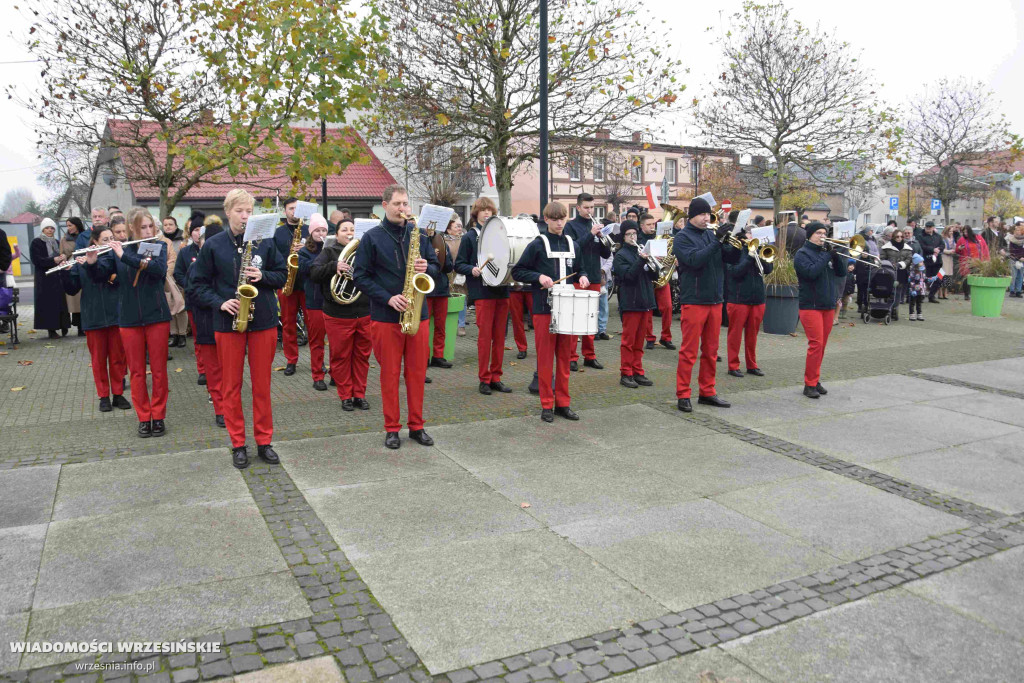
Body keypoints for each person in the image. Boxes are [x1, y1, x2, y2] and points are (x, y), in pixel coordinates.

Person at [193, 189, 288, 468]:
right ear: (228, 212)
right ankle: (237, 443)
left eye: (249, 211)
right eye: (239, 211)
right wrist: (220, 303)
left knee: (262, 386)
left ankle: (264, 441)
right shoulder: (214, 245)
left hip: (263, 323)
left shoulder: (265, 241)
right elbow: (196, 286)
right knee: (231, 386)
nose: (245, 216)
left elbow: (282, 275)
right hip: (228, 322)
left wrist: (264, 276)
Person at [352, 184, 441, 449]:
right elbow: (359, 277)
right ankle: (392, 428)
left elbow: (436, 267)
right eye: (397, 204)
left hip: (418, 314)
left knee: (416, 373)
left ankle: (417, 426)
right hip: (386, 316)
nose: (402, 209)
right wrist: (387, 298)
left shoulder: (420, 235)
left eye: (405, 204)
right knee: (389, 375)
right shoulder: (372, 237)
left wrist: (430, 267)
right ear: (385, 205)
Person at [98, 207, 172, 436]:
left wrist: (125, 256)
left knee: (159, 370)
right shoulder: (119, 250)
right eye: (143, 227)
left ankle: (158, 416)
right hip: (129, 319)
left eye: (151, 226)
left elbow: (158, 270)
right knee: (137, 371)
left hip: (157, 316)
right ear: (131, 228)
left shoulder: (157, 246)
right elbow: (100, 276)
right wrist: (91, 262)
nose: (148, 230)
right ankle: (143, 417)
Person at [512, 201, 587, 422]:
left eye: (562, 218)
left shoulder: (573, 244)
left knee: (565, 359)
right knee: (545, 359)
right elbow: (518, 271)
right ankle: (547, 404)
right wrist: (538, 277)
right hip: (544, 309)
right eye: (554, 219)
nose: (558, 223)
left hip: (568, 309)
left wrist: (583, 275)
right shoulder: (537, 244)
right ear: (547, 220)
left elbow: (580, 268)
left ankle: (563, 403)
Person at [672, 197, 740, 412]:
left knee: (711, 351)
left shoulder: (712, 235)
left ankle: (707, 391)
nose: (706, 218)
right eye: (702, 214)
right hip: (695, 300)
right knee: (689, 352)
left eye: (708, 215)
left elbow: (730, 259)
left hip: (715, 299)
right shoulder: (682, 238)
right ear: (692, 216)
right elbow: (694, 260)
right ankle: (683, 394)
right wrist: (717, 241)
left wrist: (734, 241)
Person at [60, 227, 130, 413]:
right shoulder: (81, 260)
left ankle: (118, 393)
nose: (110, 242)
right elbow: (72, 289)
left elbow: (107, 274)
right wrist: (66, 271)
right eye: (105, 239)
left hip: (116, 315)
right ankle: (103, 396)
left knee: (117, 359)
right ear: (95, 242)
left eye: (111, 238)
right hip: (93, 317)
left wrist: (92, 264)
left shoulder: (116, 258)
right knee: (98, 360)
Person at [311, 217, 372, 412]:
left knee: (362, 356)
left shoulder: (365, 252)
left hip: (363, 312)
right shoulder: (329, 252)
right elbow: (313, 272)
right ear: (336, 235)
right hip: (337, 314)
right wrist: (333, 267)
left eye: (352, 229)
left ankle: (359, 394)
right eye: (344, 230)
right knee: (340, 357)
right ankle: (345, 395)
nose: (349, 233)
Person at [455, 197, 513, 395]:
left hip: (502, 290)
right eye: (483, 210)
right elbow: (459, 264)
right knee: (485, 337)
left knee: (500, 338)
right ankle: (484, 378)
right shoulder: (470, 237)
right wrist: (471, 269)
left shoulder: (500, 234)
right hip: (483, 293)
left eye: (490, 210)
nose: (487, 213)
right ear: (476, 213)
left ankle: (496, 376)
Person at [795, 222, 847, 399]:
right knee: (815, 344)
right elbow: (811, 273)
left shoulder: (826, 253)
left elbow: (841, 273)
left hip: (827, 305)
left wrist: (836, 256)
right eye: (818, 233)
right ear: (810, 235)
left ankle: (815, 379)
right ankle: (809, 384)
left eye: (824, 233)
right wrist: (827, 256)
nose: (822, 236)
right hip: (811, 305)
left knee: (822, 346)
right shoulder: (802, 254)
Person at [564, 193, 610, 371]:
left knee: (591, 319)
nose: (590, 211)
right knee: (576, 319)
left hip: (594, 276)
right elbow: (573, 248)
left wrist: (603, 239)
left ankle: (589, 356)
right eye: (586, 207)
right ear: (578, 208)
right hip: (577, 276)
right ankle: (571, 357)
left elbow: (605, 254)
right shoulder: (571, 226)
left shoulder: (595, 226)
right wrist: (591, 234)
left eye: (592, 207)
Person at [183, 232, 224, 428]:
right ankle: (220, 409)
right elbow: (192, 295)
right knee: (214, 371)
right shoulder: (195, 267)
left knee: (229, 370)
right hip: (208, 323)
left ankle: (228, 405)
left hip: (228, 325)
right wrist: (217, 301)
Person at [612, 220, 657, 388]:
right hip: (630, 302)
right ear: (623, 237)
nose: (633, 237)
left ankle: (638, 371)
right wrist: (641, 260)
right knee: (628, 341)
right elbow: (629, 276)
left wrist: (653, 264)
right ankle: (626, 373)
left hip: (645, 301)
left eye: (635, 234)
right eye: (629, 234)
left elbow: (654, 277)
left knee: (639, 341)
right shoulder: (621, 255)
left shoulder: (642, 251)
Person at [725, 228, 772, 377]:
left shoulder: (760, 250)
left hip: (757, 298)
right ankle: (733, 365)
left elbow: (768, 270)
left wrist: (761, 255)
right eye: (751, 233)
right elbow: (734, 272)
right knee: (735, 335)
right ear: (744, 236)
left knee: (753, 335)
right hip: (738, 299)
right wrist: (749, 258)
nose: (753, 236)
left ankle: (752, 364)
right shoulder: (735, 251)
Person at [274, 197, 310, 376]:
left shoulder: (309, 230)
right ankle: (291, 360)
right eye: (290, 209)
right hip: (287, 283)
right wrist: (290, 251)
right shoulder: (278, 233)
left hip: (308, 283)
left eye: (297, 209)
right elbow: (274, 258)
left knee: (314, 324)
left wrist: (305, 248)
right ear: (285, 211)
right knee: (288, 324)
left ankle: (317, 361)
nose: (294, 212)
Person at [297, 214, 330, 390]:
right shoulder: (304, 251)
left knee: (336, 342)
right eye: (317, 230)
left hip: (333, 301)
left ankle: (336, 374)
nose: (321, 233)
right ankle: (317, 375)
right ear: (311, 233)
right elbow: (306, 269)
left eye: (324, 230)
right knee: (316, 341)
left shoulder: (331, 247)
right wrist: (326, 260)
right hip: (315, 301)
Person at [174, 218, 206, 384]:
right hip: (194, 301)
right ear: (190, 232)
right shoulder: (185, 252)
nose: (198, 233)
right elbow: (178, 273)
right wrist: (190, 285)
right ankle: (202, 370)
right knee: (198, 337)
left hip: (214, 302)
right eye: (195, 230)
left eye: (201, 229)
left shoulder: (213, 249)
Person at [637, 213, 675, 350]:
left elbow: (669, 254)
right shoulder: (638, 239)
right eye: (649, 225)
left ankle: (666, 337)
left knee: (668, 307)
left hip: (661, 277)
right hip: (647, 277)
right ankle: (649, 338)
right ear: (641, 226)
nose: (652, 227)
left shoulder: (660, 237)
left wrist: (673, 260)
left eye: (653, 224)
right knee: (648, 310)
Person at [30, 218, 71, 338]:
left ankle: (63, 325)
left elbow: (60, 256)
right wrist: (53, 260)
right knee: (48, 304)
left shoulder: (56, 242)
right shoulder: (36, 242)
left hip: (57, 277)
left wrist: (62, 257)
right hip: (44, 278)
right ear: (42, 229)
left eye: (52, 228)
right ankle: (51, 329)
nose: (50, 230)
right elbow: (37, 260)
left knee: (60, 302)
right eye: (47, 228)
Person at [425, 218, 455, 370]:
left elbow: (449, 267)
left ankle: (438, 355)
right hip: (426, 289)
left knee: (440, 325)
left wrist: (442, 255)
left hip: (441, 289)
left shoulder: (441, 240)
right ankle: (424, 357)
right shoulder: (420, 241)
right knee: (424, 326)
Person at [161, 215, 189, 347]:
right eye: (165, 225)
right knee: (170, 306)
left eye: (170, 224)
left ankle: (182, 334)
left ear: (176, 226)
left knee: (181, 307)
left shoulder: (183, 240)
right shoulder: (160, 240)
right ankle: (174, 334)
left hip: (179, 276)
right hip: (167, 278)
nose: (168, 227)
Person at [443, 215, 470, 337]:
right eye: (457, 226)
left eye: (460, 226)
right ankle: (449, 322)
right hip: (448, 274)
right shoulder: (443, 241)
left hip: (460, 274)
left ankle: (461, 325)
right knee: (448, 299)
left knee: (462, 298)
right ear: (448, 229)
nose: (460, 228)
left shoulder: (464, 239)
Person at [880, 229, 913, 318]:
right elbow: (882, 258)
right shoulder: (886, 247)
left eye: (901, 237)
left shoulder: (907, 248)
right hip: (888, 272)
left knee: (898, 291)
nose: (899, 238)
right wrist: (890, 264)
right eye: (897, 236)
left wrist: (901, 264)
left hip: (901, 272)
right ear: (894, 237)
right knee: (889, 290)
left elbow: (909, 259)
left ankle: (894, 309)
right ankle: (886, 308)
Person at [61, 217, 85, 335]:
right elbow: (62, 254)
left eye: (70, 225)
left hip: (83, 266)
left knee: (83, 298)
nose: (68, 228)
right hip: (71, 268)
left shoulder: (85, 236)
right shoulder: (64, 239)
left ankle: (83, 326)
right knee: (74, 300)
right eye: (67, 226)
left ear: (77, 225)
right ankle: (78, 326)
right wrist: (63, 258)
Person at [955, 226, 990, 301]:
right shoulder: (962, 240)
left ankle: (976, 293)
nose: (965, 234)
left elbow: (985, 248)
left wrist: (986, 259)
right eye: (963, 232)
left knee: (977, 277)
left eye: (966, 232)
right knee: (966, 278)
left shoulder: (978, 238)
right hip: (966, 262)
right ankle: (966, 294)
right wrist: (959, 249)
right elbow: (957, 250)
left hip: (978, 261)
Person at [917, 221, 944, 303]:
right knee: (924, 279)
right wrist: (932, 249)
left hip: (937, 261)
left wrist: (938, 249)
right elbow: (922, 246)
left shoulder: (938, 236)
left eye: (930, 227)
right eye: (927, 227)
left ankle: (931, 296)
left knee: (939, 279)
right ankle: (921, 295)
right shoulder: (921, 236)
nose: (928, 229)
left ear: (933, 227)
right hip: (926, 261)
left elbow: (942, 245)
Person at [854, 226, 879, 314]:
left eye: (872, 230)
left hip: (870, 264)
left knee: (867, 289)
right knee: (861, 290)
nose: (872, 232)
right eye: (870, 230)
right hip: (862, 267)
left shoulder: (873, 240)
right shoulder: (862, 240)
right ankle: (860, 305)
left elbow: (875, 250)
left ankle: (866, 304)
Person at [907, 254, 928, 321]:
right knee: (912, 302)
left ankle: (919, 314)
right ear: (916, 263)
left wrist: (931, 279)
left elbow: (924, 279)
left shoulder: (922, 271)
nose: (922, 263)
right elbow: (911, 281)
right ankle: (912, 314)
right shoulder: (912, 272)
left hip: (920, 290)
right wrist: (913, 289)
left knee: (919, 302)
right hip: (914, 290)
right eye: (921, 262)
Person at [1006, 222, 1024, 298]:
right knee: (1013, 275)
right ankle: (1012, 290)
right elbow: (1012, 250)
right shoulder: (1012, 239)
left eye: (1019, 230)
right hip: (1013, 259)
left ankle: (1018, 291)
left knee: (1020, 276)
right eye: (1016, 230)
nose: (1017, 232)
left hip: (1022, 260)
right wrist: (1018, 257)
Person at [940, 225, 957, 300]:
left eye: (952, 231)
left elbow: (954, 247)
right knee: (942, 275)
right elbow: (941, 249)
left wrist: (957, 248)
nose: (951, 233)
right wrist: (949, 251)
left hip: (950, 258)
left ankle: (945, 290)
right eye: (950, 231)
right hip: (943, 258)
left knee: (948, 276)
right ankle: (940, 291)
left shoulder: (952, 239)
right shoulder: (942, 239)